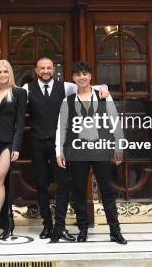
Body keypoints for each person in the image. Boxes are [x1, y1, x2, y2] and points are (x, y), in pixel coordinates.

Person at [22, 57, 109, 242]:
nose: (45, 71)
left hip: (60, 144)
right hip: (37, 142)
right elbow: (13, 104)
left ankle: (59, 226)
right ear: (36, 71)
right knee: (41, 184)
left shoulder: (66, 87)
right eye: (42, 68)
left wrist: (104, 88)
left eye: (49, 68)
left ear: (54, 70)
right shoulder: (27, 89)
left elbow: (85, 86)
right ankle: (47, 224)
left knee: (63, 184)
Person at [56, 61, 127, 245]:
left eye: (85, 74)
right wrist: (59, 151)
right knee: (79, 192)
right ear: (73, 78)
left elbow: (114, 121)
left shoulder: (104, 96)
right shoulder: (68, 100)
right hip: (77, 151)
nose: (82, 77)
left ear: (90, 76)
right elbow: (61, 128)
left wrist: (118, 146)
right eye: (78, 75)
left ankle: (115, 231)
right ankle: (83, 230)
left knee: (107, 192)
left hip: (101, 149)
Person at [0, 60, 27, 243]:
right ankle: (6, 223)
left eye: (5, 72)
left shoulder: (18, 93)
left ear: (10, 73)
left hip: (8, 142)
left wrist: (16, 146)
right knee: (0, 182)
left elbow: (21, 122)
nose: (2, 75)